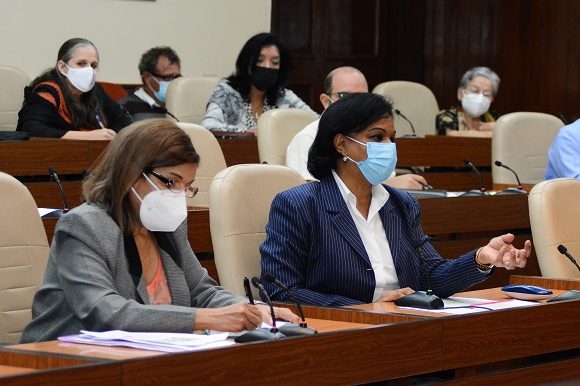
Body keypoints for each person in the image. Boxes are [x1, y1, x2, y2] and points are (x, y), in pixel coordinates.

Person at [21, 119, 298, 343]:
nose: (177, 195)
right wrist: (206, 319)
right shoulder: (83, 226)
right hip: (61, 363)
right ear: (131, 172)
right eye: (170, 182)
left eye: (186, 186)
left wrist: (257, 310)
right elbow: (104, 312)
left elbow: (203, 293)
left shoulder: (168, 225)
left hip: (147, 359)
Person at [261, 93, 531, 307]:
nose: (389, 146)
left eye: (392, 138)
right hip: (339, 335)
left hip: (403, 327)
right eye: (377, 137)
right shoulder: (298, 205)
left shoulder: (402, 203)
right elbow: (280, 291)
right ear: (341, 144)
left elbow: (431, 278)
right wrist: (366, 308)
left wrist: (481, 259)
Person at [286, 66, 428, 189]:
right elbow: (306, 191)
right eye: (345, 96)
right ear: (325, 101)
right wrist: (390, 186)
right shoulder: (307, 137)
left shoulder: (375, 134)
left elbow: (383, 180)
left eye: (362, 97)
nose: (356, 104)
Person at [16, 38, 131, 139]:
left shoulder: (96, 91)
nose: (89, 70)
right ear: (62, 67)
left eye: (93, 65)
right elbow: (31, 129)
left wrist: (112, 135)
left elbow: (123, 120)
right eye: (81, 63)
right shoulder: (47, 92)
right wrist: (88, 136)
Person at [201, 32, 315, 134]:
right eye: (260, 60)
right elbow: (208, 126)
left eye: (275, 62)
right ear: (247, 63)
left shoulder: (283, 96)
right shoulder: (227, 92)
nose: (267, 67)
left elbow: (316, 121)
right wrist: (248, 133)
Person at [119, 46, 182, 121]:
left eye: (177, 77)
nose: (173, 82)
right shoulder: (124, 108)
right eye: (167, 78)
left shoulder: (183, 106)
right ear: (148, 78)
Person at [436, 66, 500, 137]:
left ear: (492, 99)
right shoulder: (447, 116)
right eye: (475, 91)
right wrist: (497, 132)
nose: (480, 98)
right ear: (460, 93)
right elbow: (451, 135)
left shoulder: (496, 118)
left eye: (486, 94)